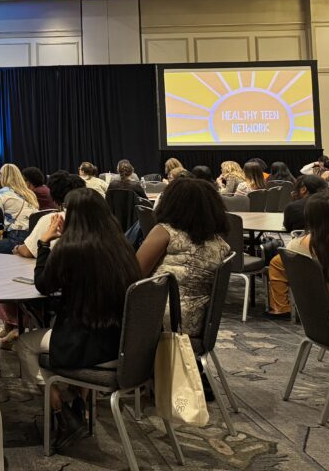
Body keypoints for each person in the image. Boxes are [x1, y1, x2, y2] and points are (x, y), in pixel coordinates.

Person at [14, 188, 141, 450]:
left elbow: (43, 284)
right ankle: (80, 402)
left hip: (88, 344)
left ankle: (62, 412)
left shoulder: (71, 249)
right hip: (121, 343)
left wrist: (44, 243)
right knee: (58, 332)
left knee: (24, 344)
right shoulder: (123, 247)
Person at [136, 177, 230, 337]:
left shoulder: (165, 232)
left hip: (162, 319)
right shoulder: (221, 245)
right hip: (197, 322)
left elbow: (134, 275)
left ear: (171, 204)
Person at [267, 191, 329, 326]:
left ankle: (281, 307)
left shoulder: (299, 245)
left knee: (277, 262)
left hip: (326, 321)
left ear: (309, 218)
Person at [15, 173, 87, 258]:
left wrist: (17, 248)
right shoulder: (94, 217)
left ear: (53, 196)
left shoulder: (53, 219)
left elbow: (28, 251)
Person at [0, 164, 39, 254]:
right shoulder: (30, 193)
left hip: (16, 239)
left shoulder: (0, 194)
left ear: (2, 176)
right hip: (34, 238)